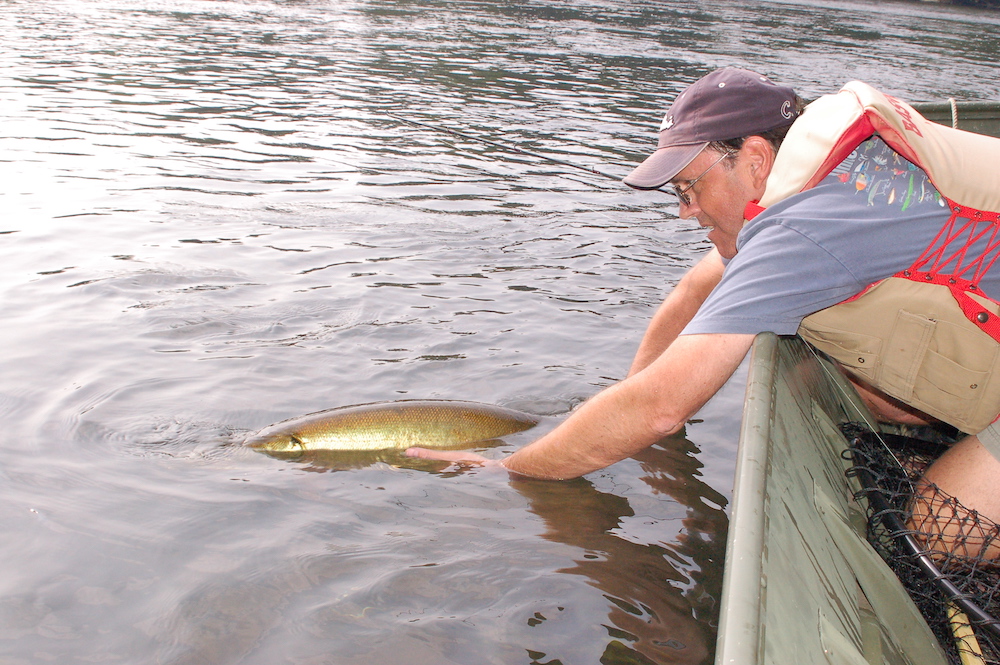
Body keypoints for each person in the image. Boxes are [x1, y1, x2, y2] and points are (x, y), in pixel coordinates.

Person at [406, 68, 1000, 550]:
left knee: (938, 531)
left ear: (757, 158)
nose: (685, 211)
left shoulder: (802, 231)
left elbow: (660, 409)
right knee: (861, 386)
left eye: (690, 188)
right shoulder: (837, 179)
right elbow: (695, 290)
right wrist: (632, 393)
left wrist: (511, 469)